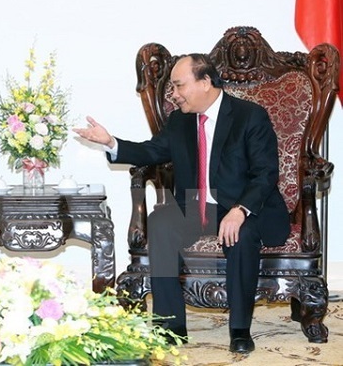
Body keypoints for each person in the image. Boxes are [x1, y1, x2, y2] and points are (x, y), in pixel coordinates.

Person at [73, 53, 289, 354]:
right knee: (160, 223)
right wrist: (111, 143)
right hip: (195, 206)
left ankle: (240, 329)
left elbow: (265, 173)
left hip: (239, 206)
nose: (173, 95)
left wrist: (240, 211)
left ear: (205, 82)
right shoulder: (180, 121)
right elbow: (152, 151)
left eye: (178, 86)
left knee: (242, 236)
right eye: (172, 87)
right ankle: (169, 327)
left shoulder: (248, 116)